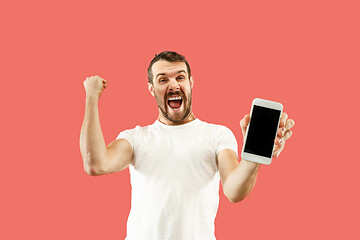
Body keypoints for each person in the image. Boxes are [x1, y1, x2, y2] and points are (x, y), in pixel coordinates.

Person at [79, 51, 295, 240]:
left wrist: (252, 158)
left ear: (191, 83)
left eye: (180, 77)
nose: (173, 85)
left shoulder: (217, 134)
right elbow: (96, 164)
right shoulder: (136, 137)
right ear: (152, 89)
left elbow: (234, 191)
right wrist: (91, 96)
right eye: (162, 80)